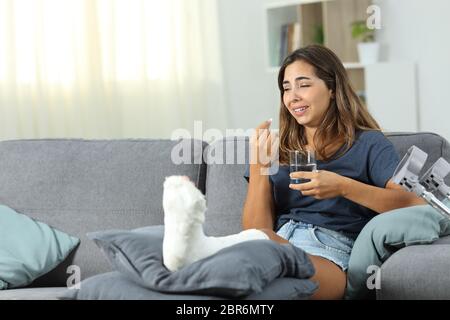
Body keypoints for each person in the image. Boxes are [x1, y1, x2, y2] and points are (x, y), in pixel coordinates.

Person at [161, 44, 425, 300]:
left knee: (258, 253)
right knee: (255, 263)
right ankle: (200, 254)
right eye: (286, 88)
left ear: (332, 88)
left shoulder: (368, 143)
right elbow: (256, 227)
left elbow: (413, 204)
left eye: (304, 84)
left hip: (331, 254)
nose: (292, 96)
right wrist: (259, 168)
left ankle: (199, 249)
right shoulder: (280, 149)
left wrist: (343, 186)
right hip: (278, 240)